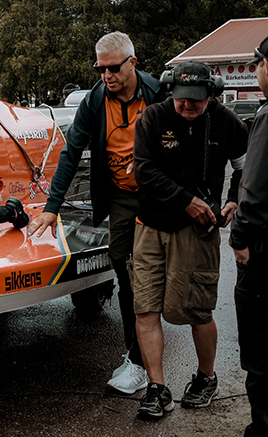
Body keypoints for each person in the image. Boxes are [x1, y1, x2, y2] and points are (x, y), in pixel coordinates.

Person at [28, 31, 167, 395]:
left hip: (156, 195)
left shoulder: (157, 93)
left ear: (132, 63)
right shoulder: (94, 101)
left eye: (113, 68)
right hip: (120, 197)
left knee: (153, 278)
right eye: (100, 68)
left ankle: (148, 352)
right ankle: (136, 360)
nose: (106, 75)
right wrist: (51, 209)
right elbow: (70, 155)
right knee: (125, 272)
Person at [132, 60, 248, 419]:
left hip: (196, 234)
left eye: (196, 101)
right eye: (182, 99)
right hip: (150, 225)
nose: (187, 106)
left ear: (210, 94)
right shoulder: (153, 118)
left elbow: (247, 166)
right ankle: (157, 387)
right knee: (145, 307)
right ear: (171, 90)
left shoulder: (228, 122)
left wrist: (233, 198)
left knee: (197, 308)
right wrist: (187, 201)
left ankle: (206, 377)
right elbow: (144, 170)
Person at [230, 37, 268, 437]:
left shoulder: (267, 116)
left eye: (256, 63)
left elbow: (253, 192)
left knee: (259, 352)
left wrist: (238, 239)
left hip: (263, 253)